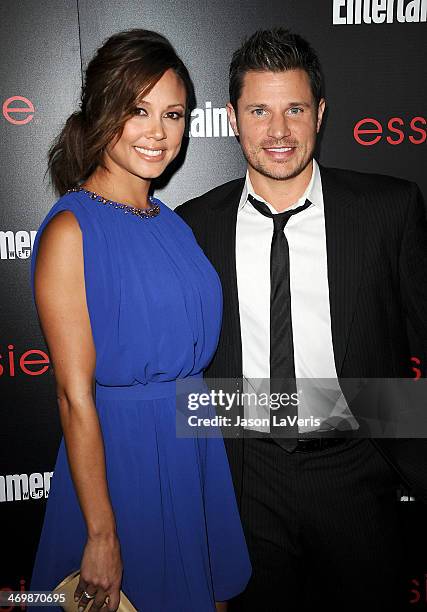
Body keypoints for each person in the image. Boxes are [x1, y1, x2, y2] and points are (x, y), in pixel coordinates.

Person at [176, 28, 427, 611]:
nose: (278, 132)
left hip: (359, 471)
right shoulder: (192, 227)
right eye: (259, 111)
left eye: (294, 109)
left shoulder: (389, 210)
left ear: (320, 113)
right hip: (246, 478)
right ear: (234, 119)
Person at [29, 29, 251, 612]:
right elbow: (74, 397)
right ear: (105, 111)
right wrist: (101, 533)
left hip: (192, 448)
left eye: (173, 114)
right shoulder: (70, 231)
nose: (158, 132)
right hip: (122, 463)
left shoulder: (171, 223)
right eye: (138, 110)